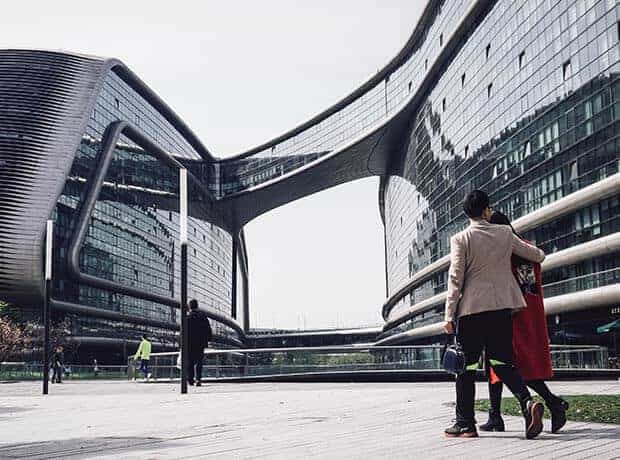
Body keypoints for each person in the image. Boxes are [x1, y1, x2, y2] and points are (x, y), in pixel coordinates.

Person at [443, 190, 546, 439]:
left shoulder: (461, 239)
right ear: (487, 210)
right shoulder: (504, 233)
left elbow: (455, 278)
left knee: (466, 367)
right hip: (502, 309)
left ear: (467, 213)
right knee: (502, 363)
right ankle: (527, 403)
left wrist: (448, 315)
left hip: (472, 311)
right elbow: (538, 255)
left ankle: (465, 423)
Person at [479, 211, 569, 434]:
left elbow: (517, 286)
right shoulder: (524, 248)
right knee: (496, 364)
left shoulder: (509, 250)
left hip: (513, 315)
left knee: (512, 366)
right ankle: (495, 416)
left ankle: (551, 403)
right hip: (526, 314)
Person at [187, 299, 212, 386]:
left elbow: (183, 331)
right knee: (199, 361)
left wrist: (182, 343)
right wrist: (208, 340)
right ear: (197, 306)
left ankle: (190, 379)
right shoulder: (203, 317)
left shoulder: (187, 317)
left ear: (189, 307)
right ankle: (198, 379)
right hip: (201, 343)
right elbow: (208, 329)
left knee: (190, 361)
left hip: (189, 343)